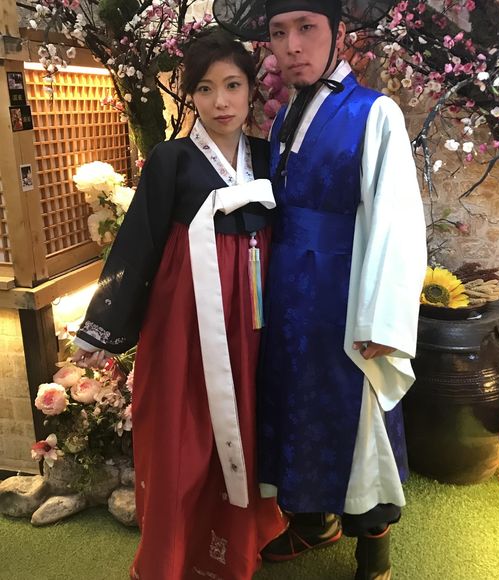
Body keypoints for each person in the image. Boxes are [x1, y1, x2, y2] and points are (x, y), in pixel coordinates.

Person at [214, 1, 427, 578]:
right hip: (288, 291)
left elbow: (397, 220)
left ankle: (374, 552)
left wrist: (384, 320)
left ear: (339, 33)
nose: (292, 46)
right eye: (279, 32)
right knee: (293, 407)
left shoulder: (374, 112)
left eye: (307, 28)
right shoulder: (286, 114)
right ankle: (314, 522)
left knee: (357, 420)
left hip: (345, 292)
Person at [71, 30, 286, 580]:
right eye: (206, 88)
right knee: (183, 430)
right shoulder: (172, 159)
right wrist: (101, 328)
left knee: (245, 423)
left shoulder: (268, 156)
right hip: (187, 320)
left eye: (233, 85)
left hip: (253, 321)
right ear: (191, 96)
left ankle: (232, 550)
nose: (221, 102)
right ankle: (170, 558)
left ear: (251, 90)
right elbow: (138, 243)